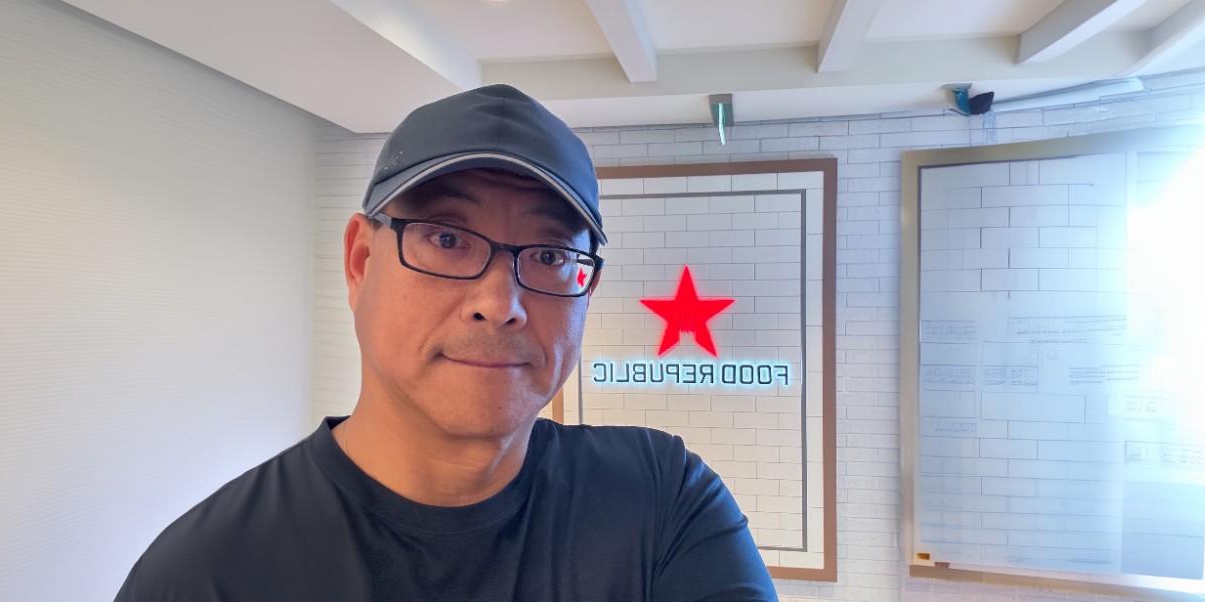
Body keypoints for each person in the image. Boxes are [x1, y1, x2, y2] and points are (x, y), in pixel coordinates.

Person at [115, 84, 777, 601]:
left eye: (548, 253)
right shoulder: (209, 574)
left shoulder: (661, 502)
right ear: (359, 262)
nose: (500, 305)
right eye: (447, 238)